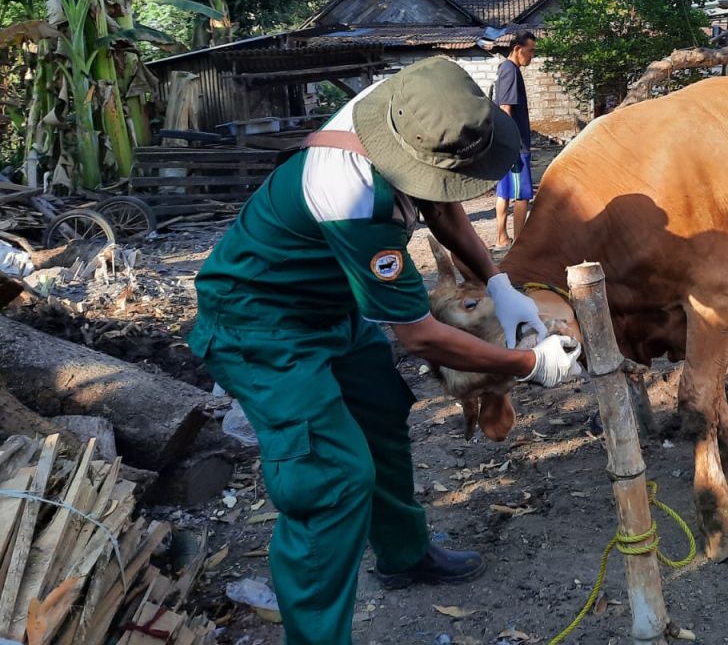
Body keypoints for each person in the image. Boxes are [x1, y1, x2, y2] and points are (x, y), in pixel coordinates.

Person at [191, 58, 584, 645]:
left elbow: (441, 201)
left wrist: (498, 284)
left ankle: (404, 554)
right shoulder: (349, 194)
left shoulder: (407, 109)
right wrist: (528, 365)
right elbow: (419, 334)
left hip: (331, 305)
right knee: (330, 478)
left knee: (382, 413)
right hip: (261, 323)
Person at [494, 31, 537, 248]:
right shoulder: (511, 71)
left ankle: (501, 237)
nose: (532, 56)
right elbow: (505, 109)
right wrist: (511, 143)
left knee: (504, 192)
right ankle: (519, 242)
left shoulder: (505, 69)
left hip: (506, 144)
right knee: (522, 195)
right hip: (516, 145)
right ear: (518, 49)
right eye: (530, 51)